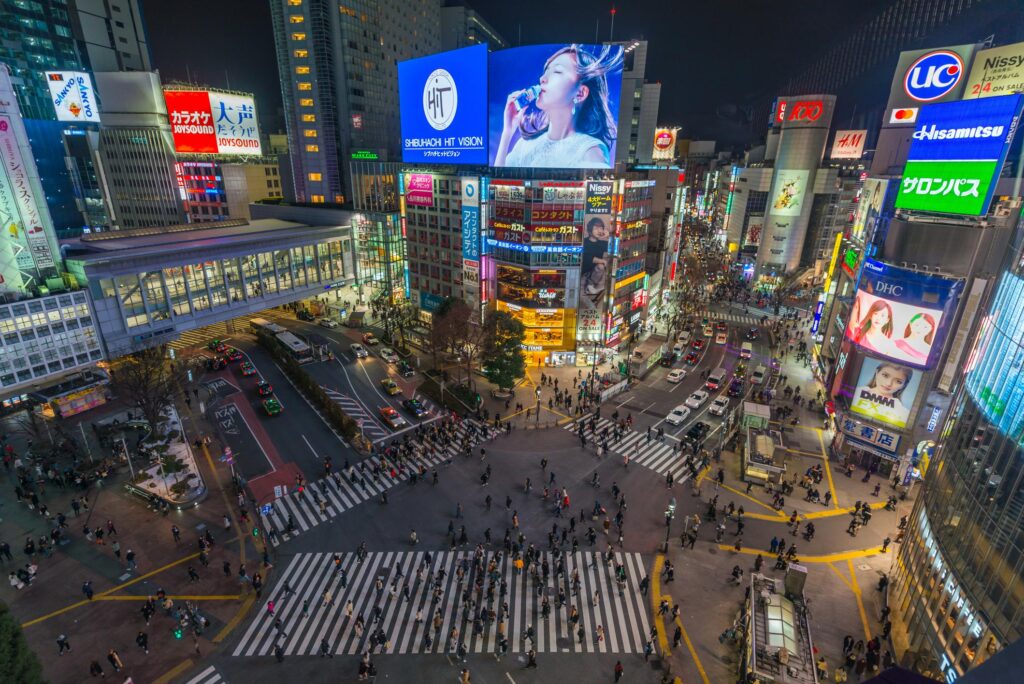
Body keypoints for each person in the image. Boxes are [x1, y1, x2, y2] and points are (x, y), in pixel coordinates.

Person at [494, 44, 623, 169]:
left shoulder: (590, 151)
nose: (542, 78)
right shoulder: (524, 146)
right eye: (546, 71)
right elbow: (498, 180)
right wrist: (507, 132)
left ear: (580, 93)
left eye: (557, 71)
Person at [850, 362, 913, 427]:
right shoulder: (854, 392)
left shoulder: (904, 414)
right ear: (877, 373)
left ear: (904, 385)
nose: (888, 383)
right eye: (885, 375)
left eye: (898, 381)